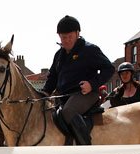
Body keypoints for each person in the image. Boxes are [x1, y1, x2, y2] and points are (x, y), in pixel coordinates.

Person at [41, 15, 115, 145]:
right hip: (64, 96)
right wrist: (44, 93)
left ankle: (85, 148)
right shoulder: (58, 55)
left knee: (68, 111)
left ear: (77, 33)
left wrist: (92, 84)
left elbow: (109, 69)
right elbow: (52, 77)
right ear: (59, 36)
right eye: (64, 37)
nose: (67, 40)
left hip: (86, 94)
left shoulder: (90, 50)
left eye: (70, 36)